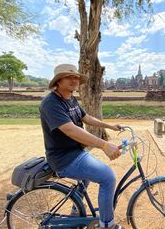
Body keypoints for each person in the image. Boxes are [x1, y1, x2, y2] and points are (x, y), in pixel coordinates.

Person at [39, 63, 125, 229]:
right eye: (69, 77)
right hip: (63, 158)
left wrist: (109, 125)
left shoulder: (70, 99)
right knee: (108, 177)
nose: (74, 80)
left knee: (85, 179)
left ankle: (75, 211)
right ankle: (107, 225)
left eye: (76, 77)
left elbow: (86, 118)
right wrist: (104, 145)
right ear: (58, 81)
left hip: (76, 152)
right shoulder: (50, 103)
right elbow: (71, 130)